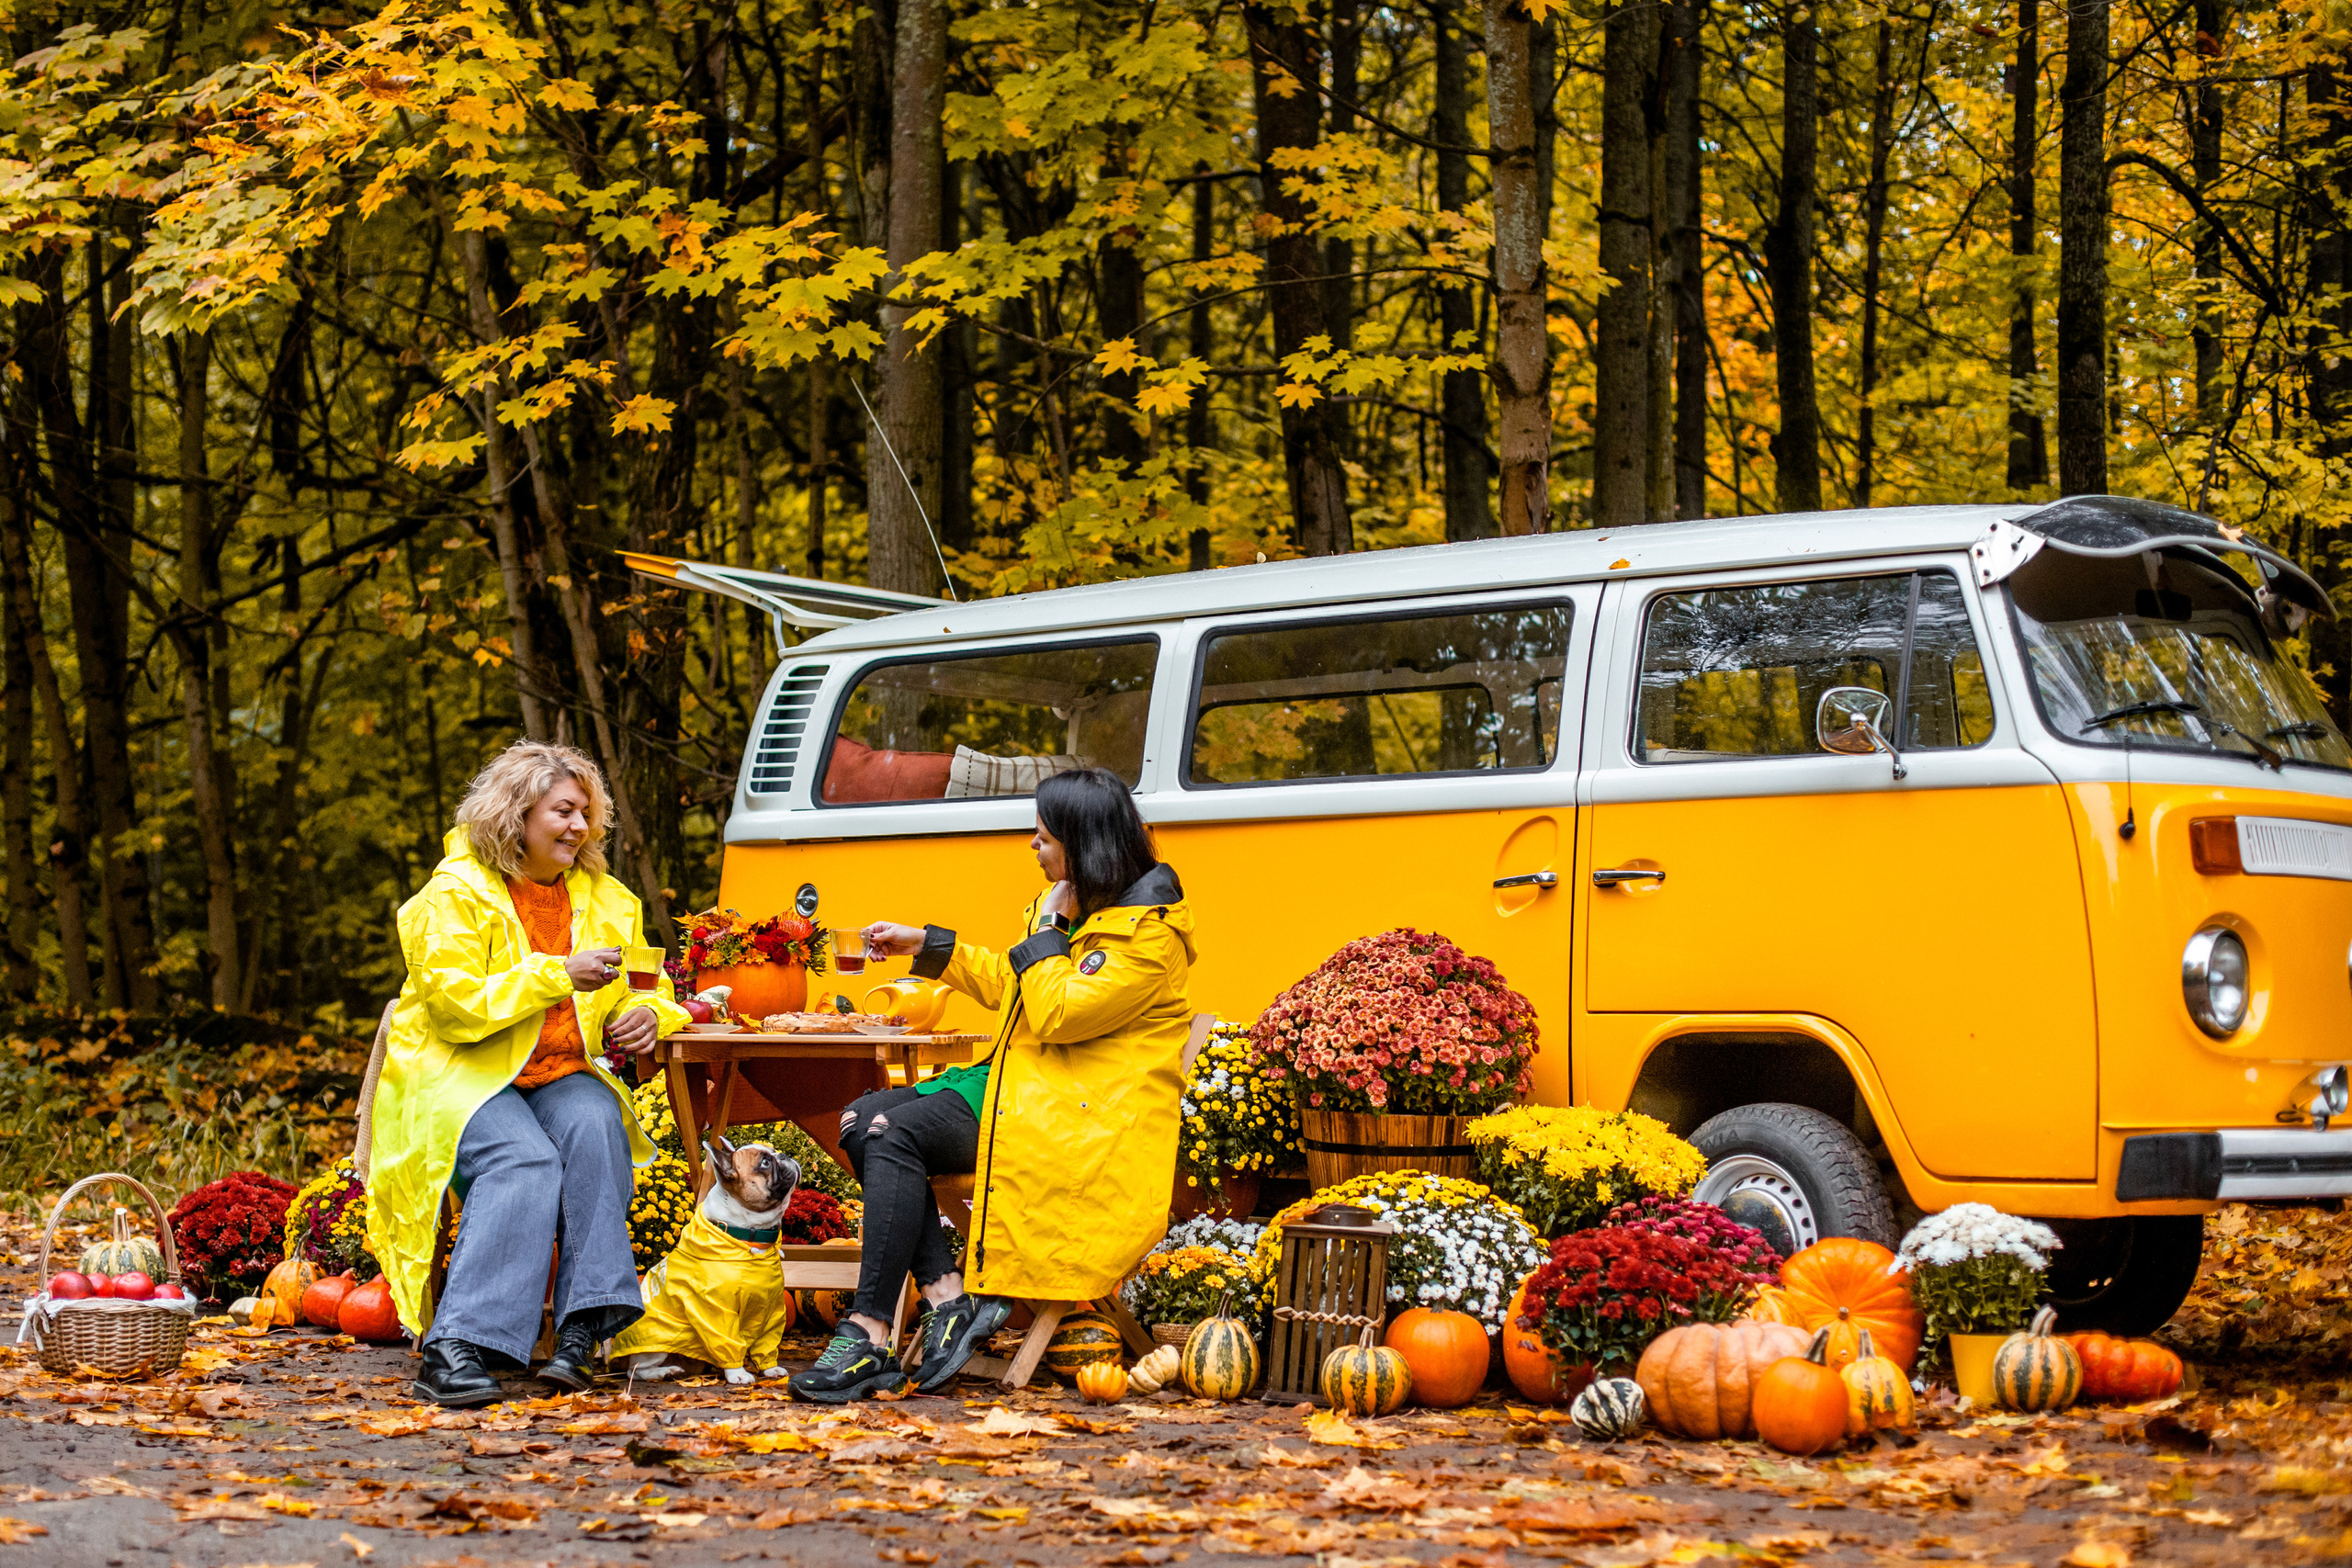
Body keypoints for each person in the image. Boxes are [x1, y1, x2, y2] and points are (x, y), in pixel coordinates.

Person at [788, 767, 1196, 1403]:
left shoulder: (1149, 937)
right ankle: (947, 1295)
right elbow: (1019, 987)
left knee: (890, 1131)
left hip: (1078, 1118)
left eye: (1044, 837)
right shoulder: (1075, 908)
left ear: (1082, 845)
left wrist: (1048, 930)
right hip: (1026, 1087)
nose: (1032, 846)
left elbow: (1059, 1014)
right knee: (860, 1118)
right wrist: (928, 945)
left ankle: (869, 1331)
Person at [366, 741, 691, 1407]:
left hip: (558, 1072)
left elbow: (644, 987)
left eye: (586, 813)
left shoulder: (608, 899)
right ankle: (456, 1346)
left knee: (598, 1125)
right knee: (525, 1159)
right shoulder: (454, 892)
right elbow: (455, 1006)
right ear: (516, 814)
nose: (579, 826)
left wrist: (652, 1015)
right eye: (563, 811)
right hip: (465, 1074)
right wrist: (556, 974)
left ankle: (581, 1330)